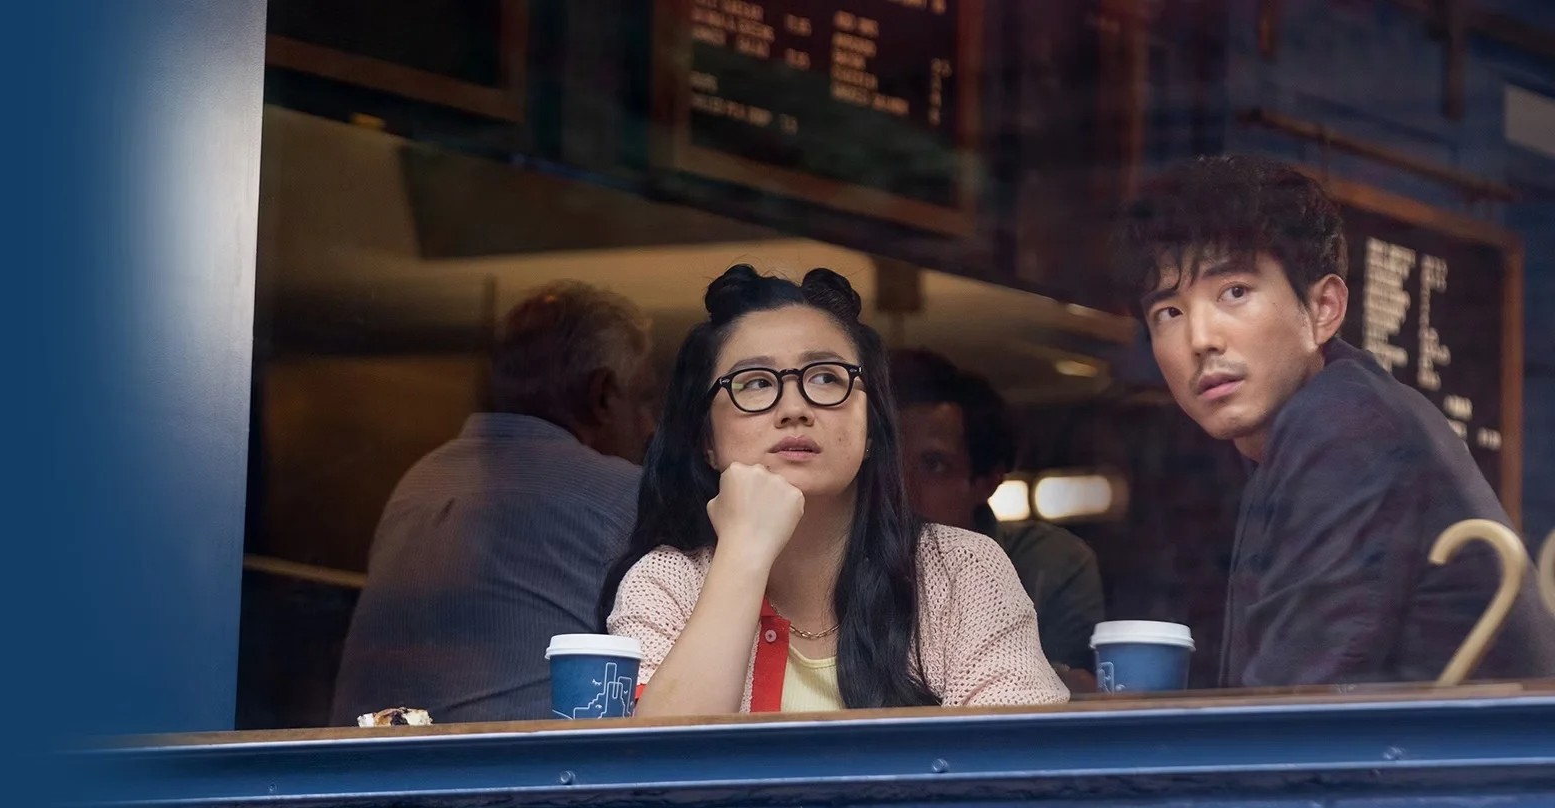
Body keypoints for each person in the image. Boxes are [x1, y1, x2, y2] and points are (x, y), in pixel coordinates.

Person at [1111, 155, 1555, 687]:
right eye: (1169, 313)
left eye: (1234, 292)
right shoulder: (1314, 425)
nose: (1200, 339)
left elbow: (1295, 712)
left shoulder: (1345, 426)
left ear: (1324, 308)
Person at [602, 265, 1067, 714]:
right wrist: (743, 553)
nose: (794, 408)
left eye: (826, 378)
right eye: (756, 383)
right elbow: (664, 773)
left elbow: (1018, 764)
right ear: (707, 441)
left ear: (870, 430)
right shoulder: (665, 582)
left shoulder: (962, 572)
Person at [332, 281, 661, 724]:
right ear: (601, 394)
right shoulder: (618, 491)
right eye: (642, 399)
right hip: (520, 777)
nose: (648, 428)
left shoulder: (420, 479)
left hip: (359, 770)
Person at [892, 349, 1106, 678]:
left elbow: (1067, 700)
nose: (902, 486)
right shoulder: (846, 562)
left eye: (933, 466)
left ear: (987, 481)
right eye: (889, 464)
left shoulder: (1047, 564)